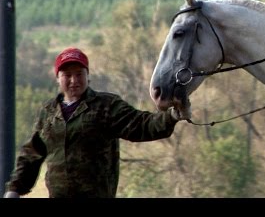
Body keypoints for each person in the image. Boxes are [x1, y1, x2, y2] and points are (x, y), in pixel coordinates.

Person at [3, 47, 186, 198]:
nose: (74, 81)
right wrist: (15, 189)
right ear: (58, 78)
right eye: (67, 75)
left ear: (87, 75)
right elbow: (32, 153)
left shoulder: (106, 106)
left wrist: (172, 115)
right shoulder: (48, 112)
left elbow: (142, 125)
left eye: (79, 74)